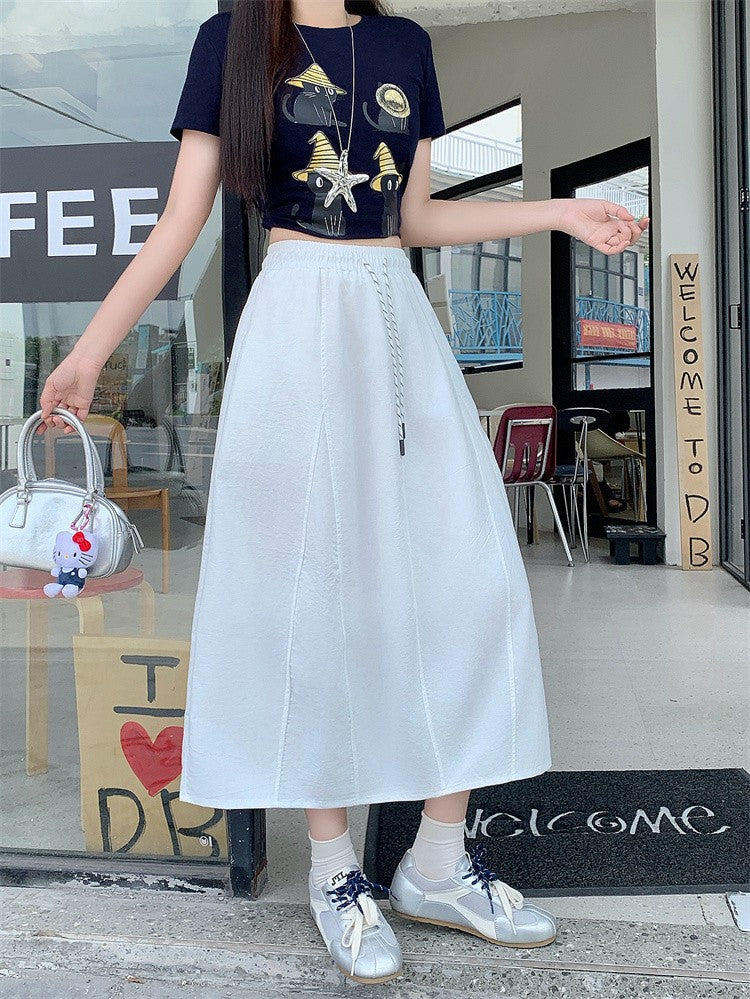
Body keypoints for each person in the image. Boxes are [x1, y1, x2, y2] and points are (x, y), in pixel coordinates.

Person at [36, 0, 649, 985]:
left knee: (473, 583)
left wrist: (559, 212)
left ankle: (436, 863)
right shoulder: (233, 42)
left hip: (396, 320)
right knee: (313, 596)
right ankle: (335, 871)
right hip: (294, 324)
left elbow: (416, 217)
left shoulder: (406, 45)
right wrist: (89, 352)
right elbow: (181, 221)